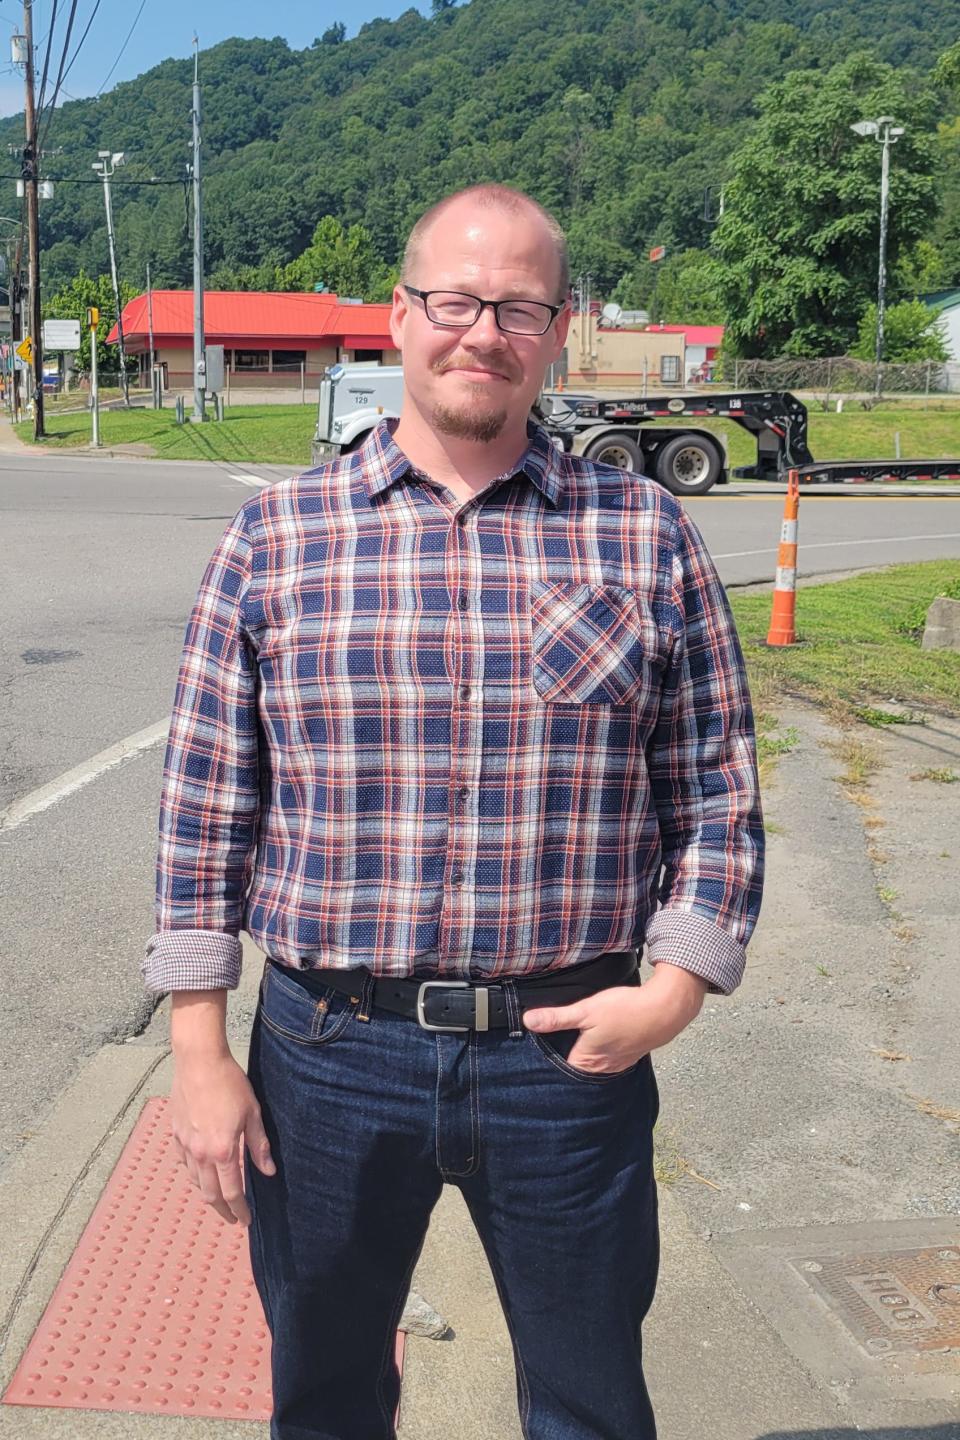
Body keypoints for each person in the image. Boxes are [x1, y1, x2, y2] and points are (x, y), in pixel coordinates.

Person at [145, 181, 764, 1440]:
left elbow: (717, 792)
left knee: (590, 1399)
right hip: (328, 1054)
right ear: (400, 313)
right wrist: (200, 1051)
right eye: (456, 300)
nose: (483, 331)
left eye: (519, 306)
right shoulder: (276, 535)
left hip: (568, 1051)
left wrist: (676, 988)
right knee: (323, 1394)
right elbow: (206, 804)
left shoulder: (641, 534)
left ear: (558, 326)